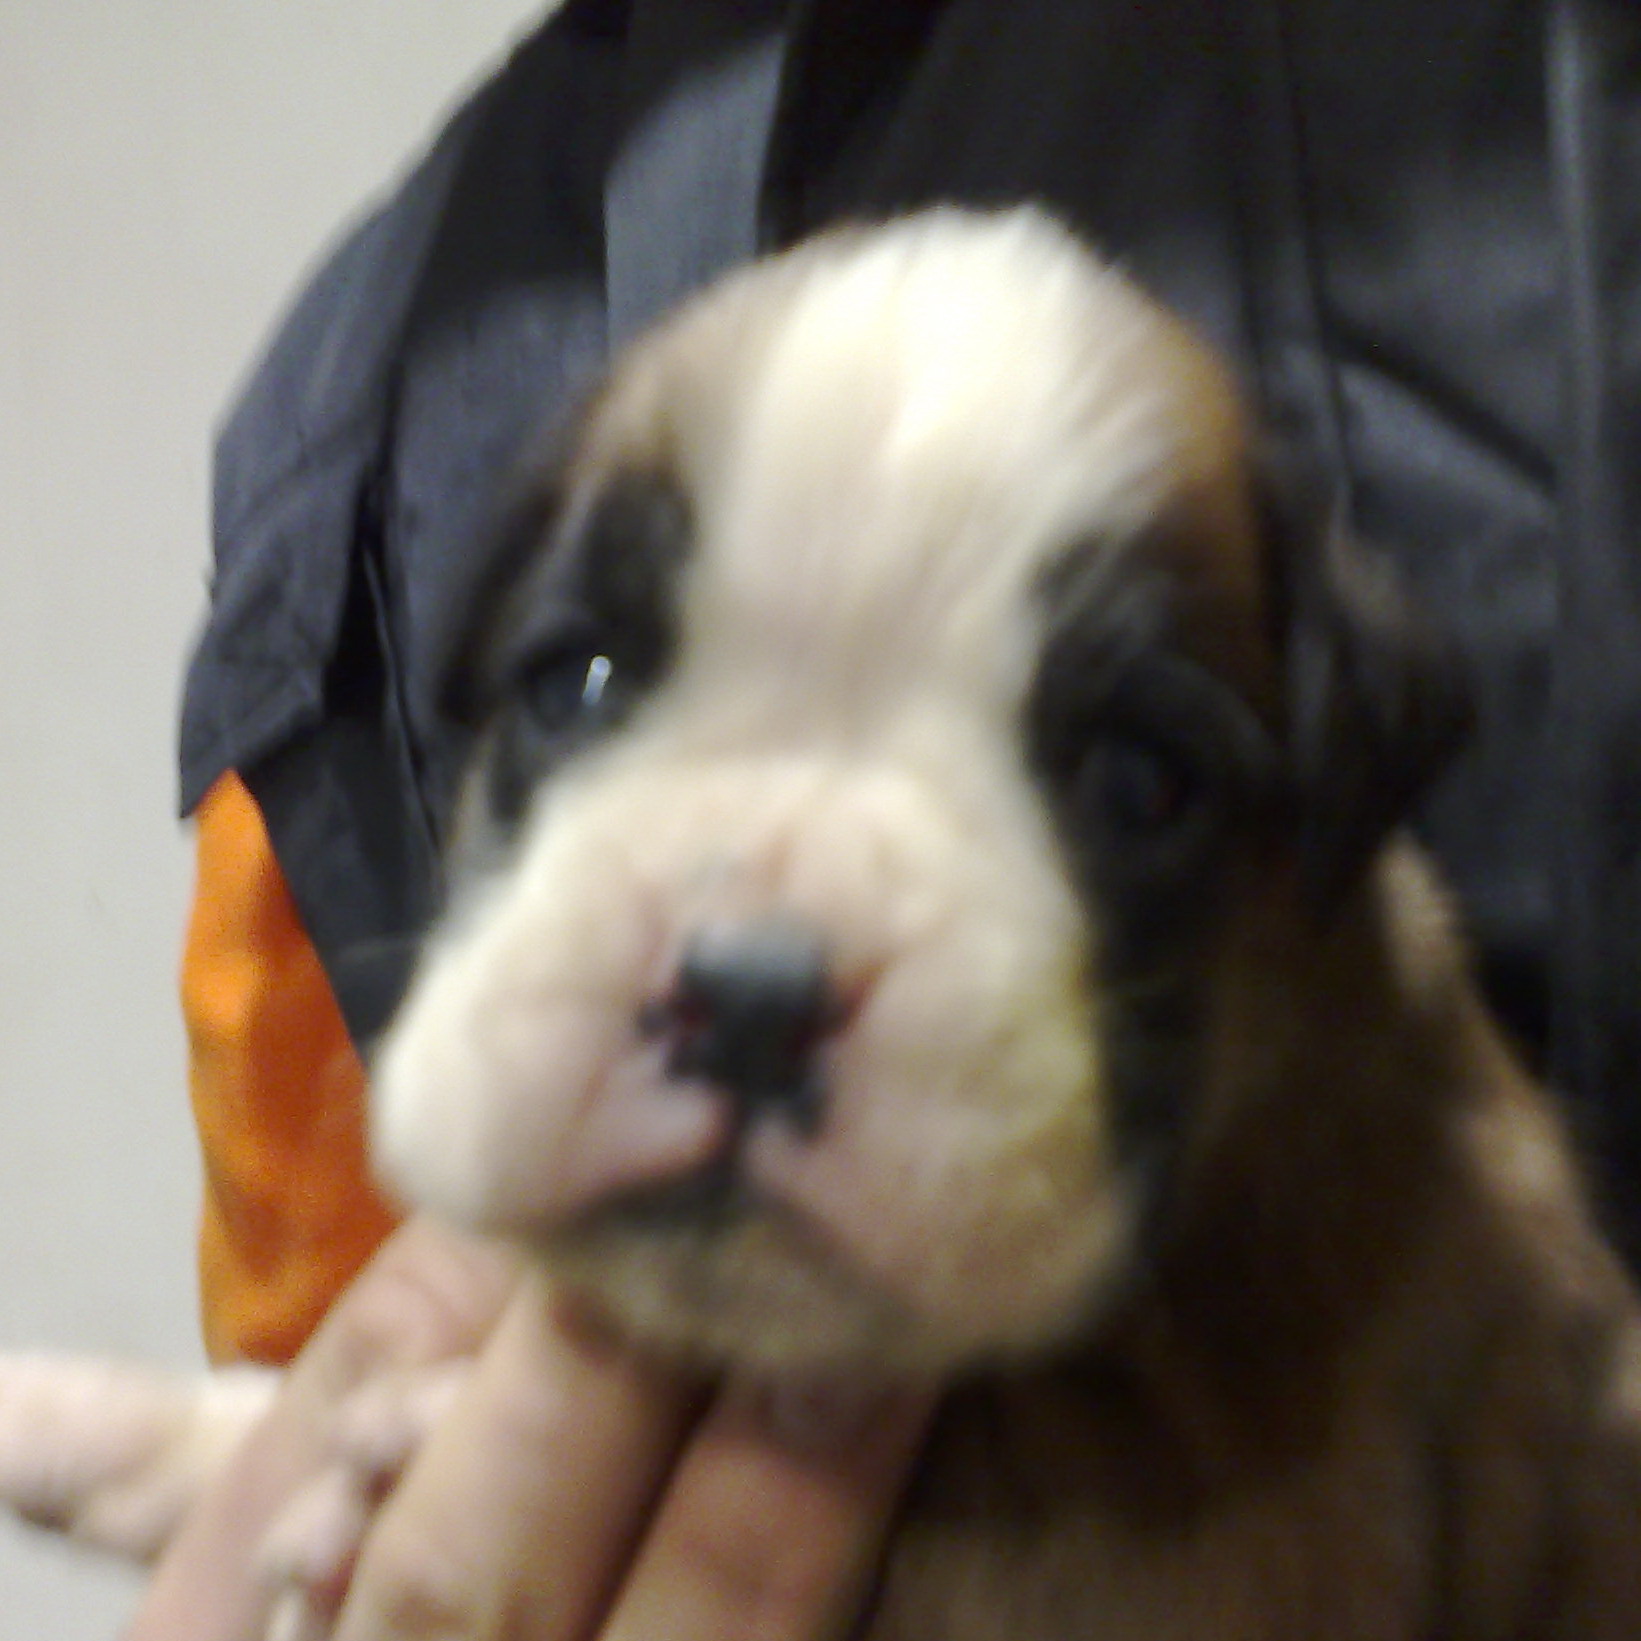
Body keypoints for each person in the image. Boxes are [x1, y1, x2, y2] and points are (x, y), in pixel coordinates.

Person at [145, 0, 1641, 1634]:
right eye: (582, 686)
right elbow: (342, 1383)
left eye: (1118, 789)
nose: (753, 945)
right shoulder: (392, 382)